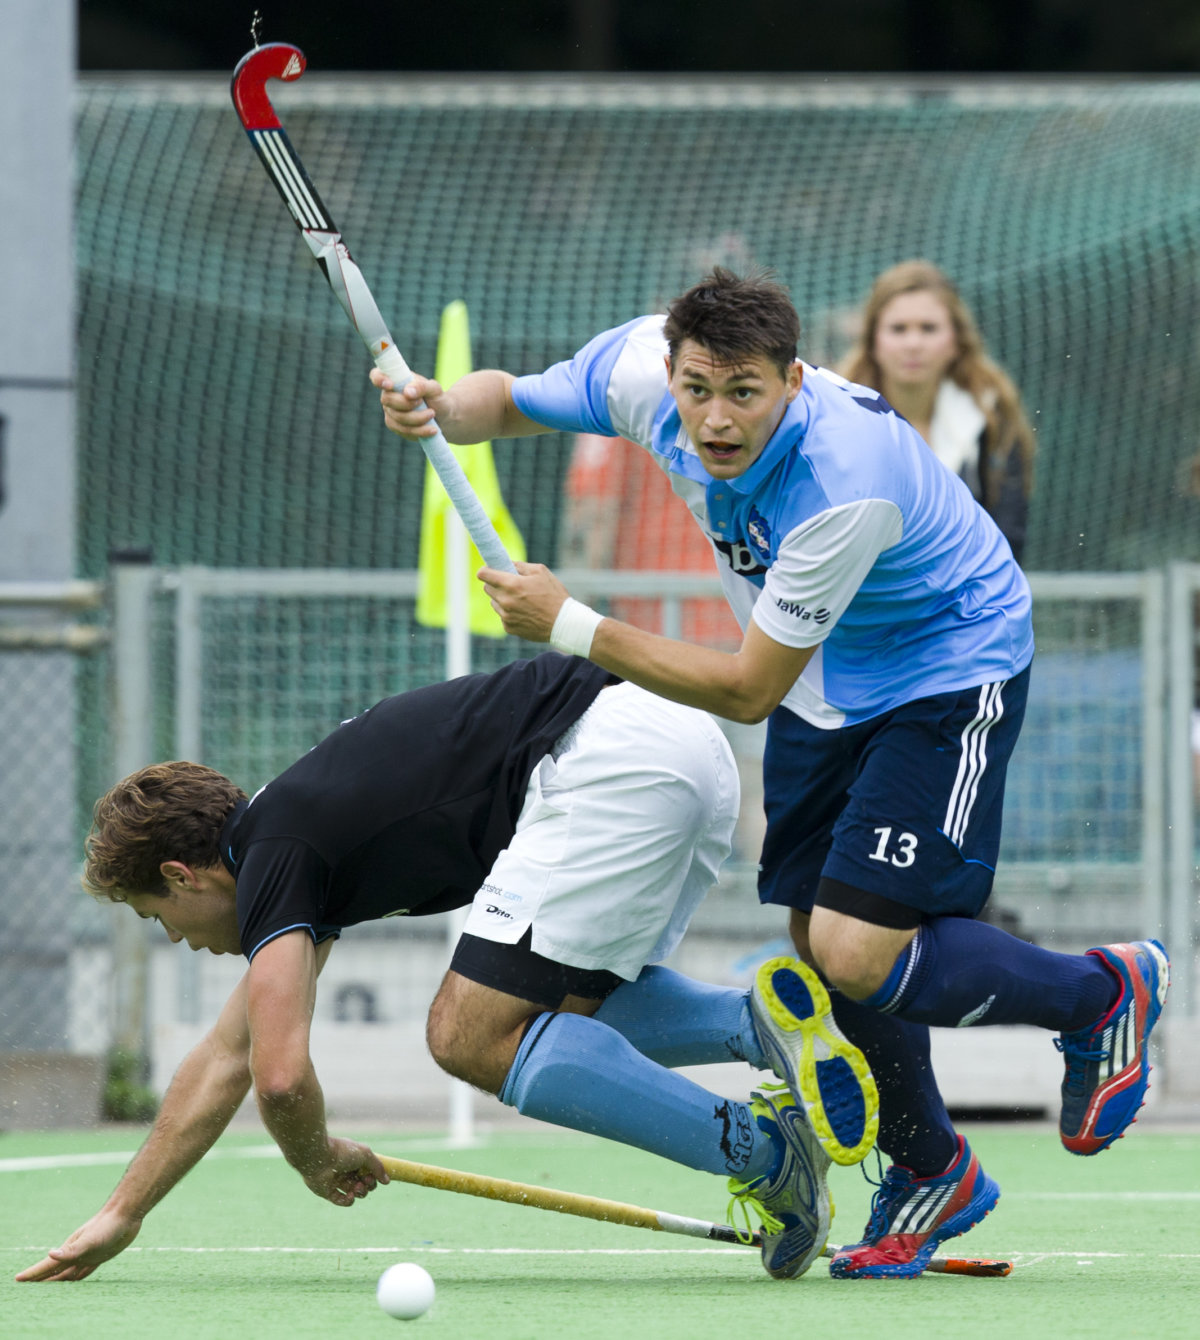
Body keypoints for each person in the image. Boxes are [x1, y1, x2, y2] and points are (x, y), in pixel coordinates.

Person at [371, 267, 1171, 1280]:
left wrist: (570, 623)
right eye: (698, 389)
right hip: (826, 679)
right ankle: (933, 1167)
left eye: (744, 392)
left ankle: (1101, 992)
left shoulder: (841, 482)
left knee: (857, 949)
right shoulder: (638, 369)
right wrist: (440, 406)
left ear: (793, 381)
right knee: (814, 937)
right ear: (670, 369)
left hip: (945, 663)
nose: (715, 419)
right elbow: (515, 399)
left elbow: (748, 689)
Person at [16, 652, 878, 1286]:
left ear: (181, 875)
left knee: (467, 1034)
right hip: (686, 746)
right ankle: (757, 1024)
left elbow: (276, 1078)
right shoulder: (296, 836)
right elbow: (225, 1056)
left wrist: (314, 1157)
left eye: (155, 917)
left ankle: (766, 1154)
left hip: (603, 763)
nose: (174, 939)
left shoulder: (277, 853)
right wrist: (123, 1212)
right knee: (544, 1011)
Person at [838, 259, 1035, 564]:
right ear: (873, 340)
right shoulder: (834, 417)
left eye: (928, 328)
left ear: (956, 340)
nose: (913, 343)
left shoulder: (994, 420)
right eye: (898, 329)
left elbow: (1007, 541)